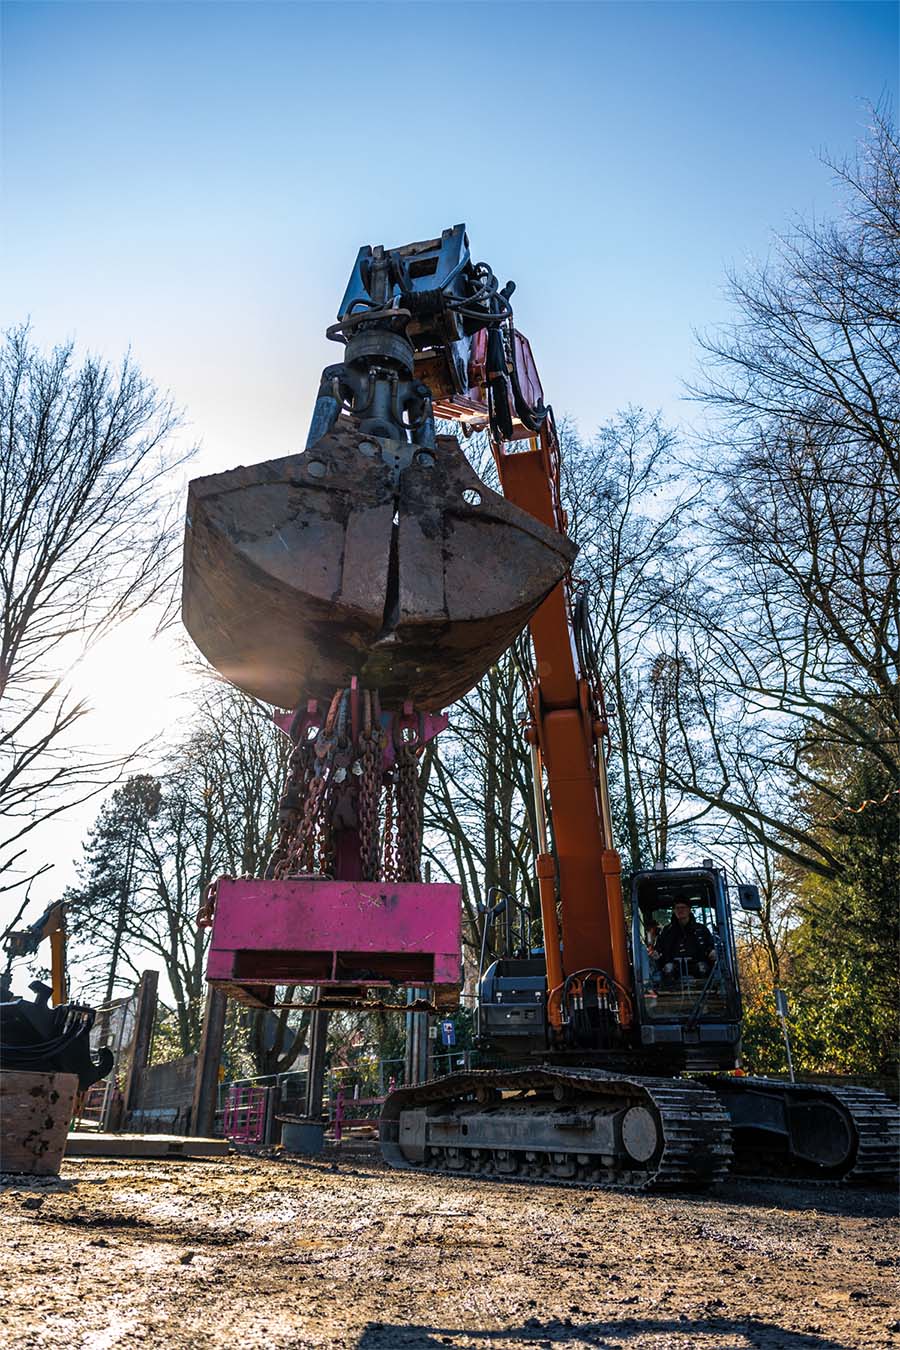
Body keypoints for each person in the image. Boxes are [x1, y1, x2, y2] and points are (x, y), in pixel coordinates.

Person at [656, 901, 716, 981]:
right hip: (673, 967)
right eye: (677, 908)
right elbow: (658, 948)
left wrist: (712, 951)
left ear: (689, 910)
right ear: (674, 911)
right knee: (668, 969)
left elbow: (710, 945)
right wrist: (655, 953)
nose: (680, 910)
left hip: (697, 965)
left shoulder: (701, 929)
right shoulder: (666, 931)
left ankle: (706, 992)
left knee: (703, 968)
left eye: (683, 907)